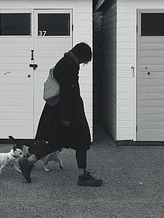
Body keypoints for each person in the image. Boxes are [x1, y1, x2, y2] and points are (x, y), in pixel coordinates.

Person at [18, 42, 102, 187]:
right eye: (84, 60)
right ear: (82, 55)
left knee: (56, 142)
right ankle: (83, 176)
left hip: (59, 109)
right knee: (82, 141)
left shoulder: (66, 60)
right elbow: (65, 91)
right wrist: (66, 117)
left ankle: (28, 162)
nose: (83, 63)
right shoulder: (70, 65)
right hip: (67, 111)